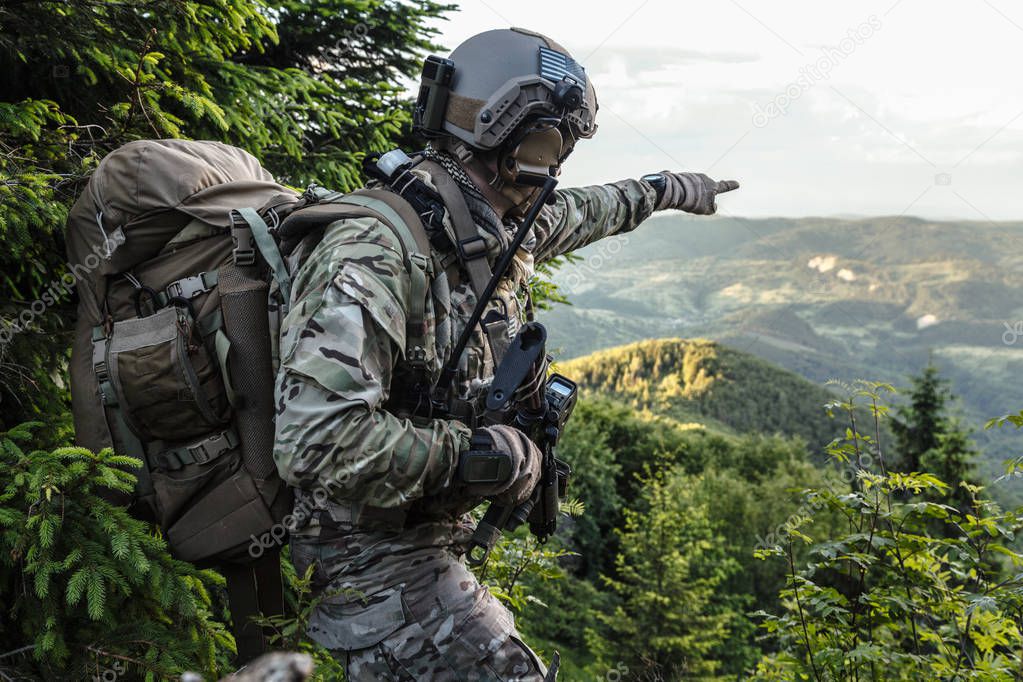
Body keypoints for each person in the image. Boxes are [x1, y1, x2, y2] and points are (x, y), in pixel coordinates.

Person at [273, 27, 738, 680]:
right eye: (555, 146)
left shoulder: (490, 228)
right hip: (361, 551)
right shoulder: (371, 251)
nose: (558, 168)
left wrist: (668, 189)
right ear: (515, 137)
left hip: (423, 533)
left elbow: (589, 209)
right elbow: (315, 441)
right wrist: (477, 455)